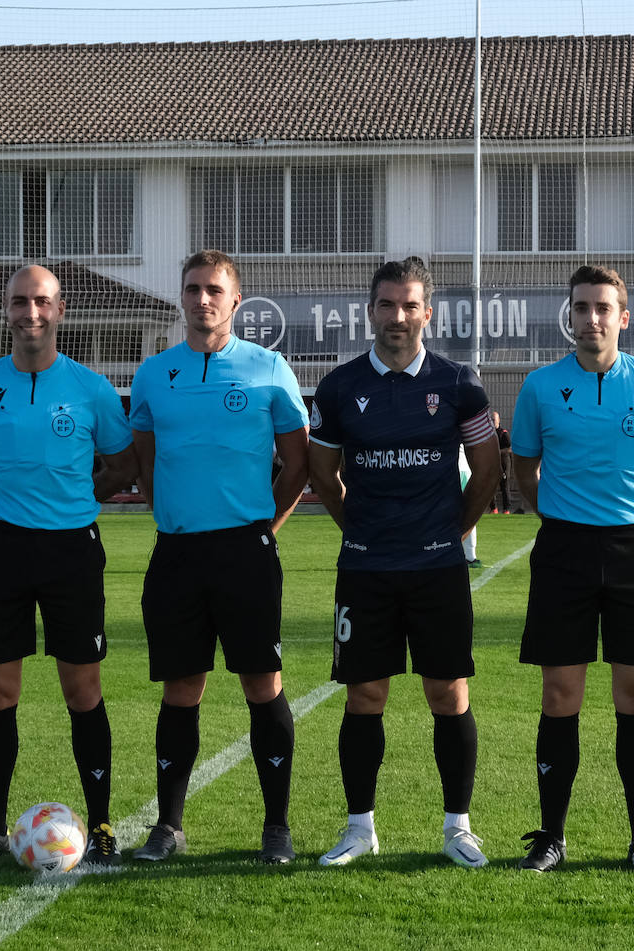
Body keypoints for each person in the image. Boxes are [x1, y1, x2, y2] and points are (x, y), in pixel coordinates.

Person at [0, 264, 137, 867]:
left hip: (72, 550)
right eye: (21, 302)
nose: (31, 313)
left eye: (42, 302)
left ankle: (101, 825)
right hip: (0, 550)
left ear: (60, 310)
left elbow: (122, 467)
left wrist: (72, 502)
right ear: (6, 310)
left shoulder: (92, 389)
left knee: (83, 689)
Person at [307, 256, 500, 870]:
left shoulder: (460, 383)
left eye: (410, 305)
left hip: (437, 569)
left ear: (427, 313)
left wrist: (453, 531)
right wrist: (359, 531)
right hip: (366, 569)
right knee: (364, 695)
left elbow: (488, 470)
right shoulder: (339, 387)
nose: (398, 316)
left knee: (448, 693)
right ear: (370, 311)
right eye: (387, 304)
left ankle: (458, 828)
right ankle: (359, 828)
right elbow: (322, 474)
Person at [512, 265, 634, 874]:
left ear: (623, 317)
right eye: (581, 307)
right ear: (569, 315)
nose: (591, 318)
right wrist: (558, 517)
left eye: (602, 308)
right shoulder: (540, 386)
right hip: (564, 552)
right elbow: (523, 471)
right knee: (559, 692)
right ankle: (551, 836)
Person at [128, 249, 309, 865]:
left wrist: (264, 527)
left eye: (213, 290)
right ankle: (168, 826)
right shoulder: (154, 374)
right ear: (181, 296)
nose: (202, 299)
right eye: (192, 289)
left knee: (262, 683)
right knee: (181, 687)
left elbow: (298, 463)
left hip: (246, 553)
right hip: (177, 553)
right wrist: (173, 515)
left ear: (235, 301)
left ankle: (276, 827)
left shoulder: (269, 368)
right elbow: (146, 461)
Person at [492, 411, 513, 512]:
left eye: (494, 420)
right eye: (491, 420)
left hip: (504, 462)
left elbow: (509, 449)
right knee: (491, 486)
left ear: (498, 420)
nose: (492, 422)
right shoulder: (489, 434)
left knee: (504, 485)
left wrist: (498, 452)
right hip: (492, 463)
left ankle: (506, 509)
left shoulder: (503, 433)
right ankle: (493, 508)